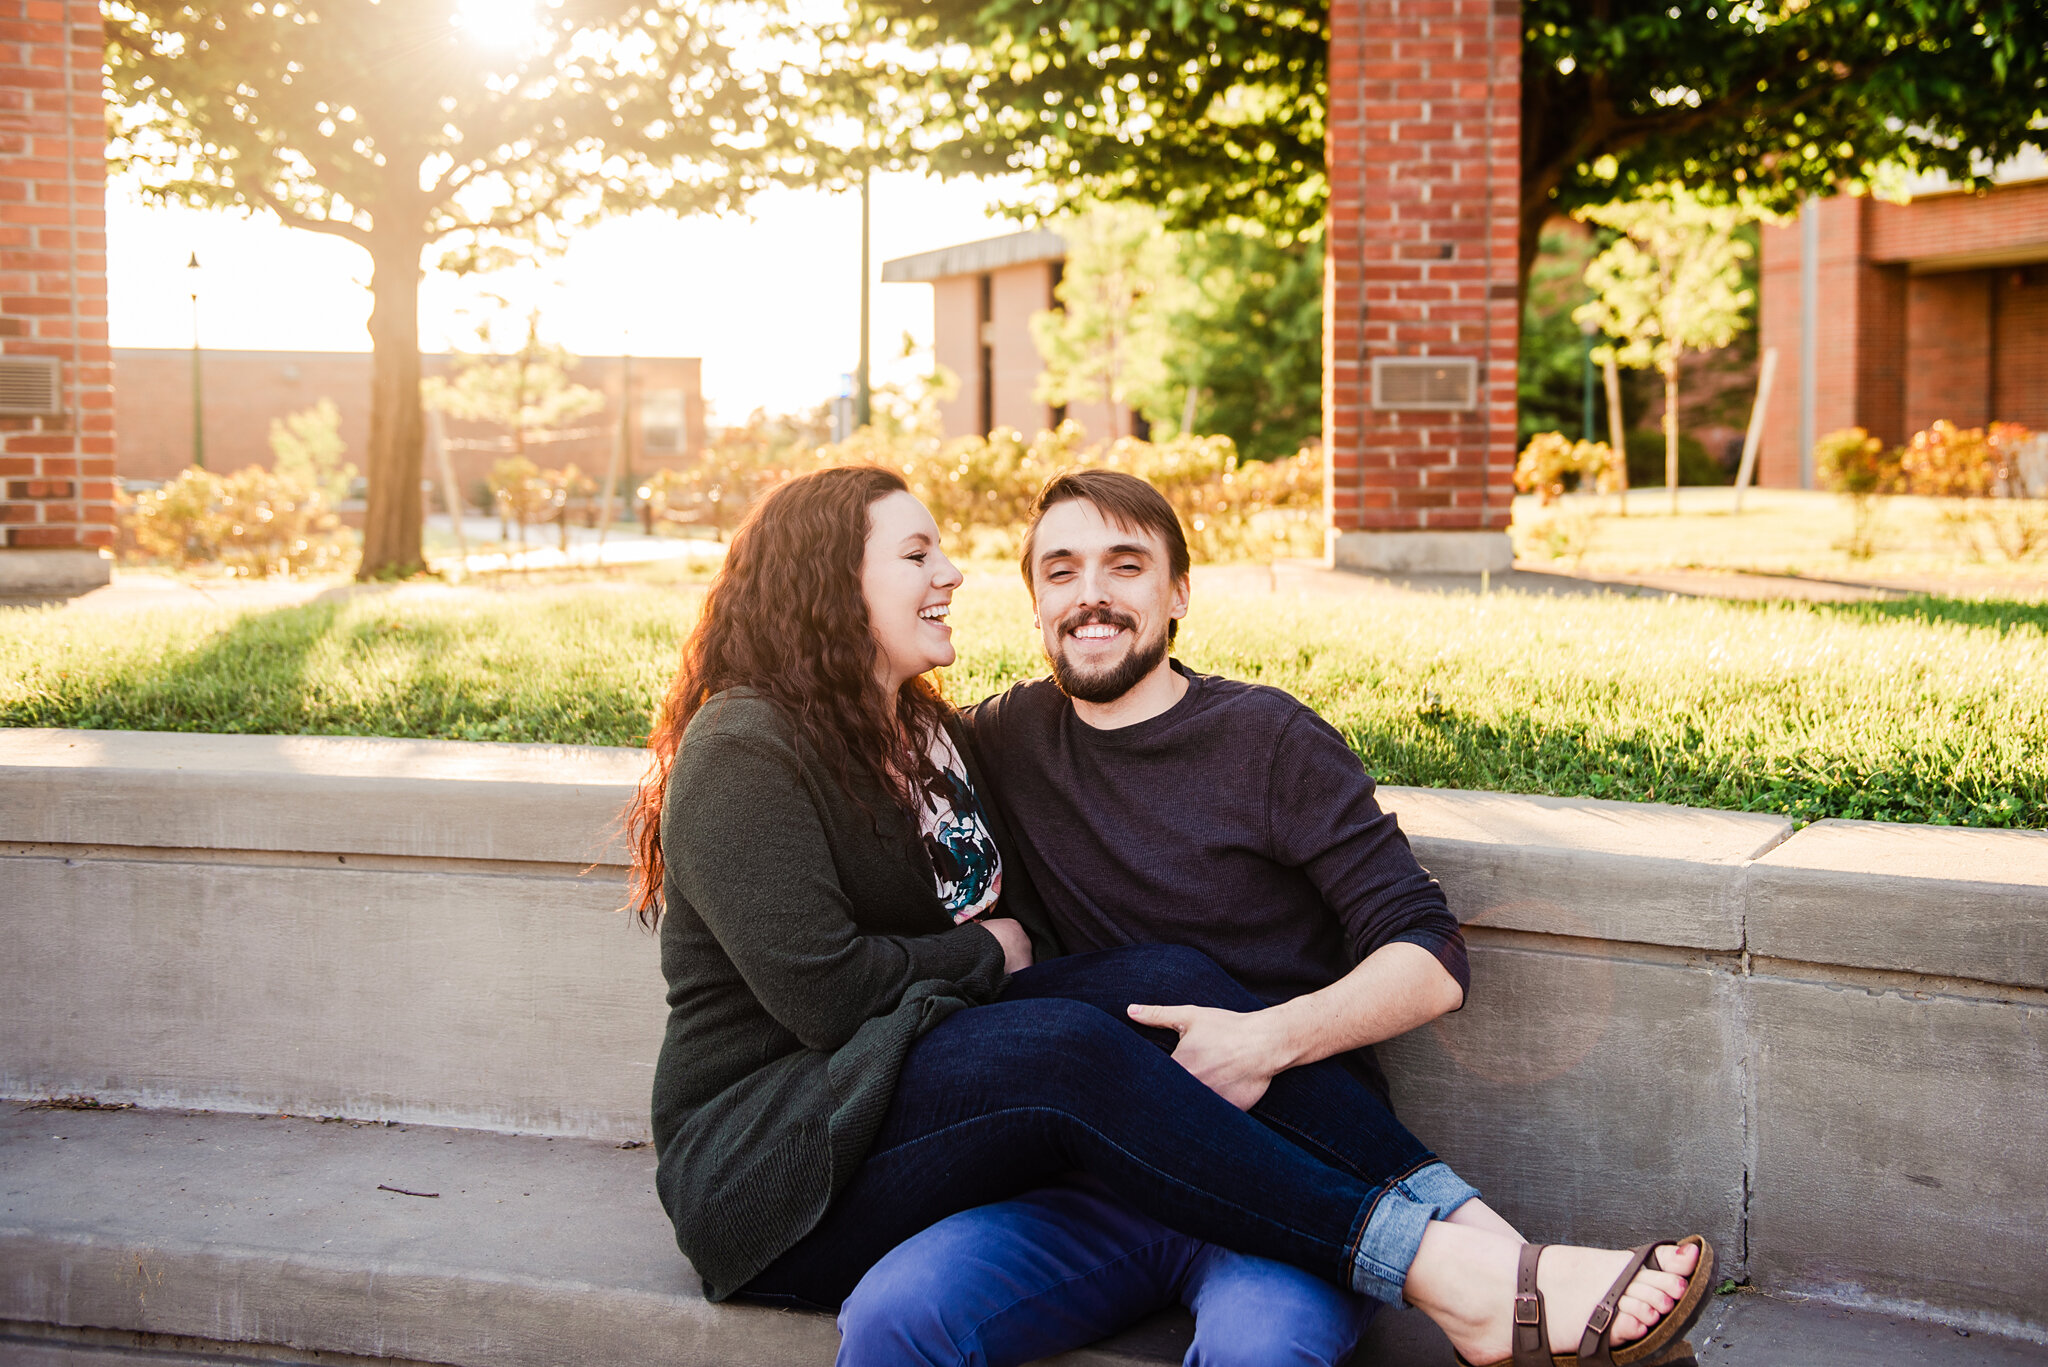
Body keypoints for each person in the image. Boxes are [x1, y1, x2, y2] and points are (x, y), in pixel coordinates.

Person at [628, 464, 1713, 1367]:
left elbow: (1426, 951)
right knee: (1058, 1052)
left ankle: (1501, 1261)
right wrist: (985, 948)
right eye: (917, 555)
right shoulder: (807, 743)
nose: (947, 571)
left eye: (1125, 565)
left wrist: (1264, 1037)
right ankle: (1461, 1274)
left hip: (1205, 1128)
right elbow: (828, 990)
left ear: (1180, 592)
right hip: (791, 1152)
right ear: (828, 582)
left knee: (1147, 975)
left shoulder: (951, 744)